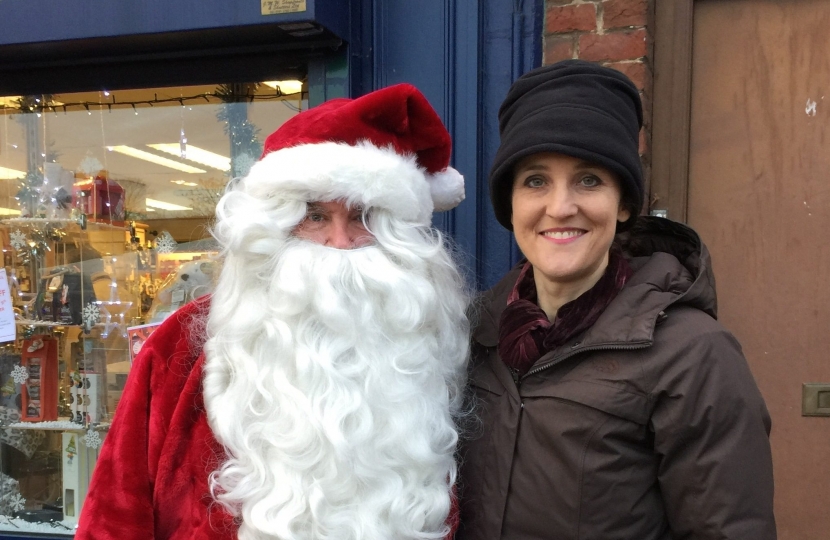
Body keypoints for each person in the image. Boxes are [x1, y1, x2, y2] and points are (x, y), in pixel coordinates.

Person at [75, 83, 471, 540]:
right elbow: (115, 512)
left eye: (363, 218)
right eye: (315, 216)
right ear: (274, 230)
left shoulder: (431, 348)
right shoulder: (181, 348)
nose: (339, 243)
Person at [456, 60, 776, 539]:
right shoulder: (472, 336)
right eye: (536, 181)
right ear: (512, 205)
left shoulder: (692, 354)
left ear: (624, 203)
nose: (560, 207)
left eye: (589, 180)